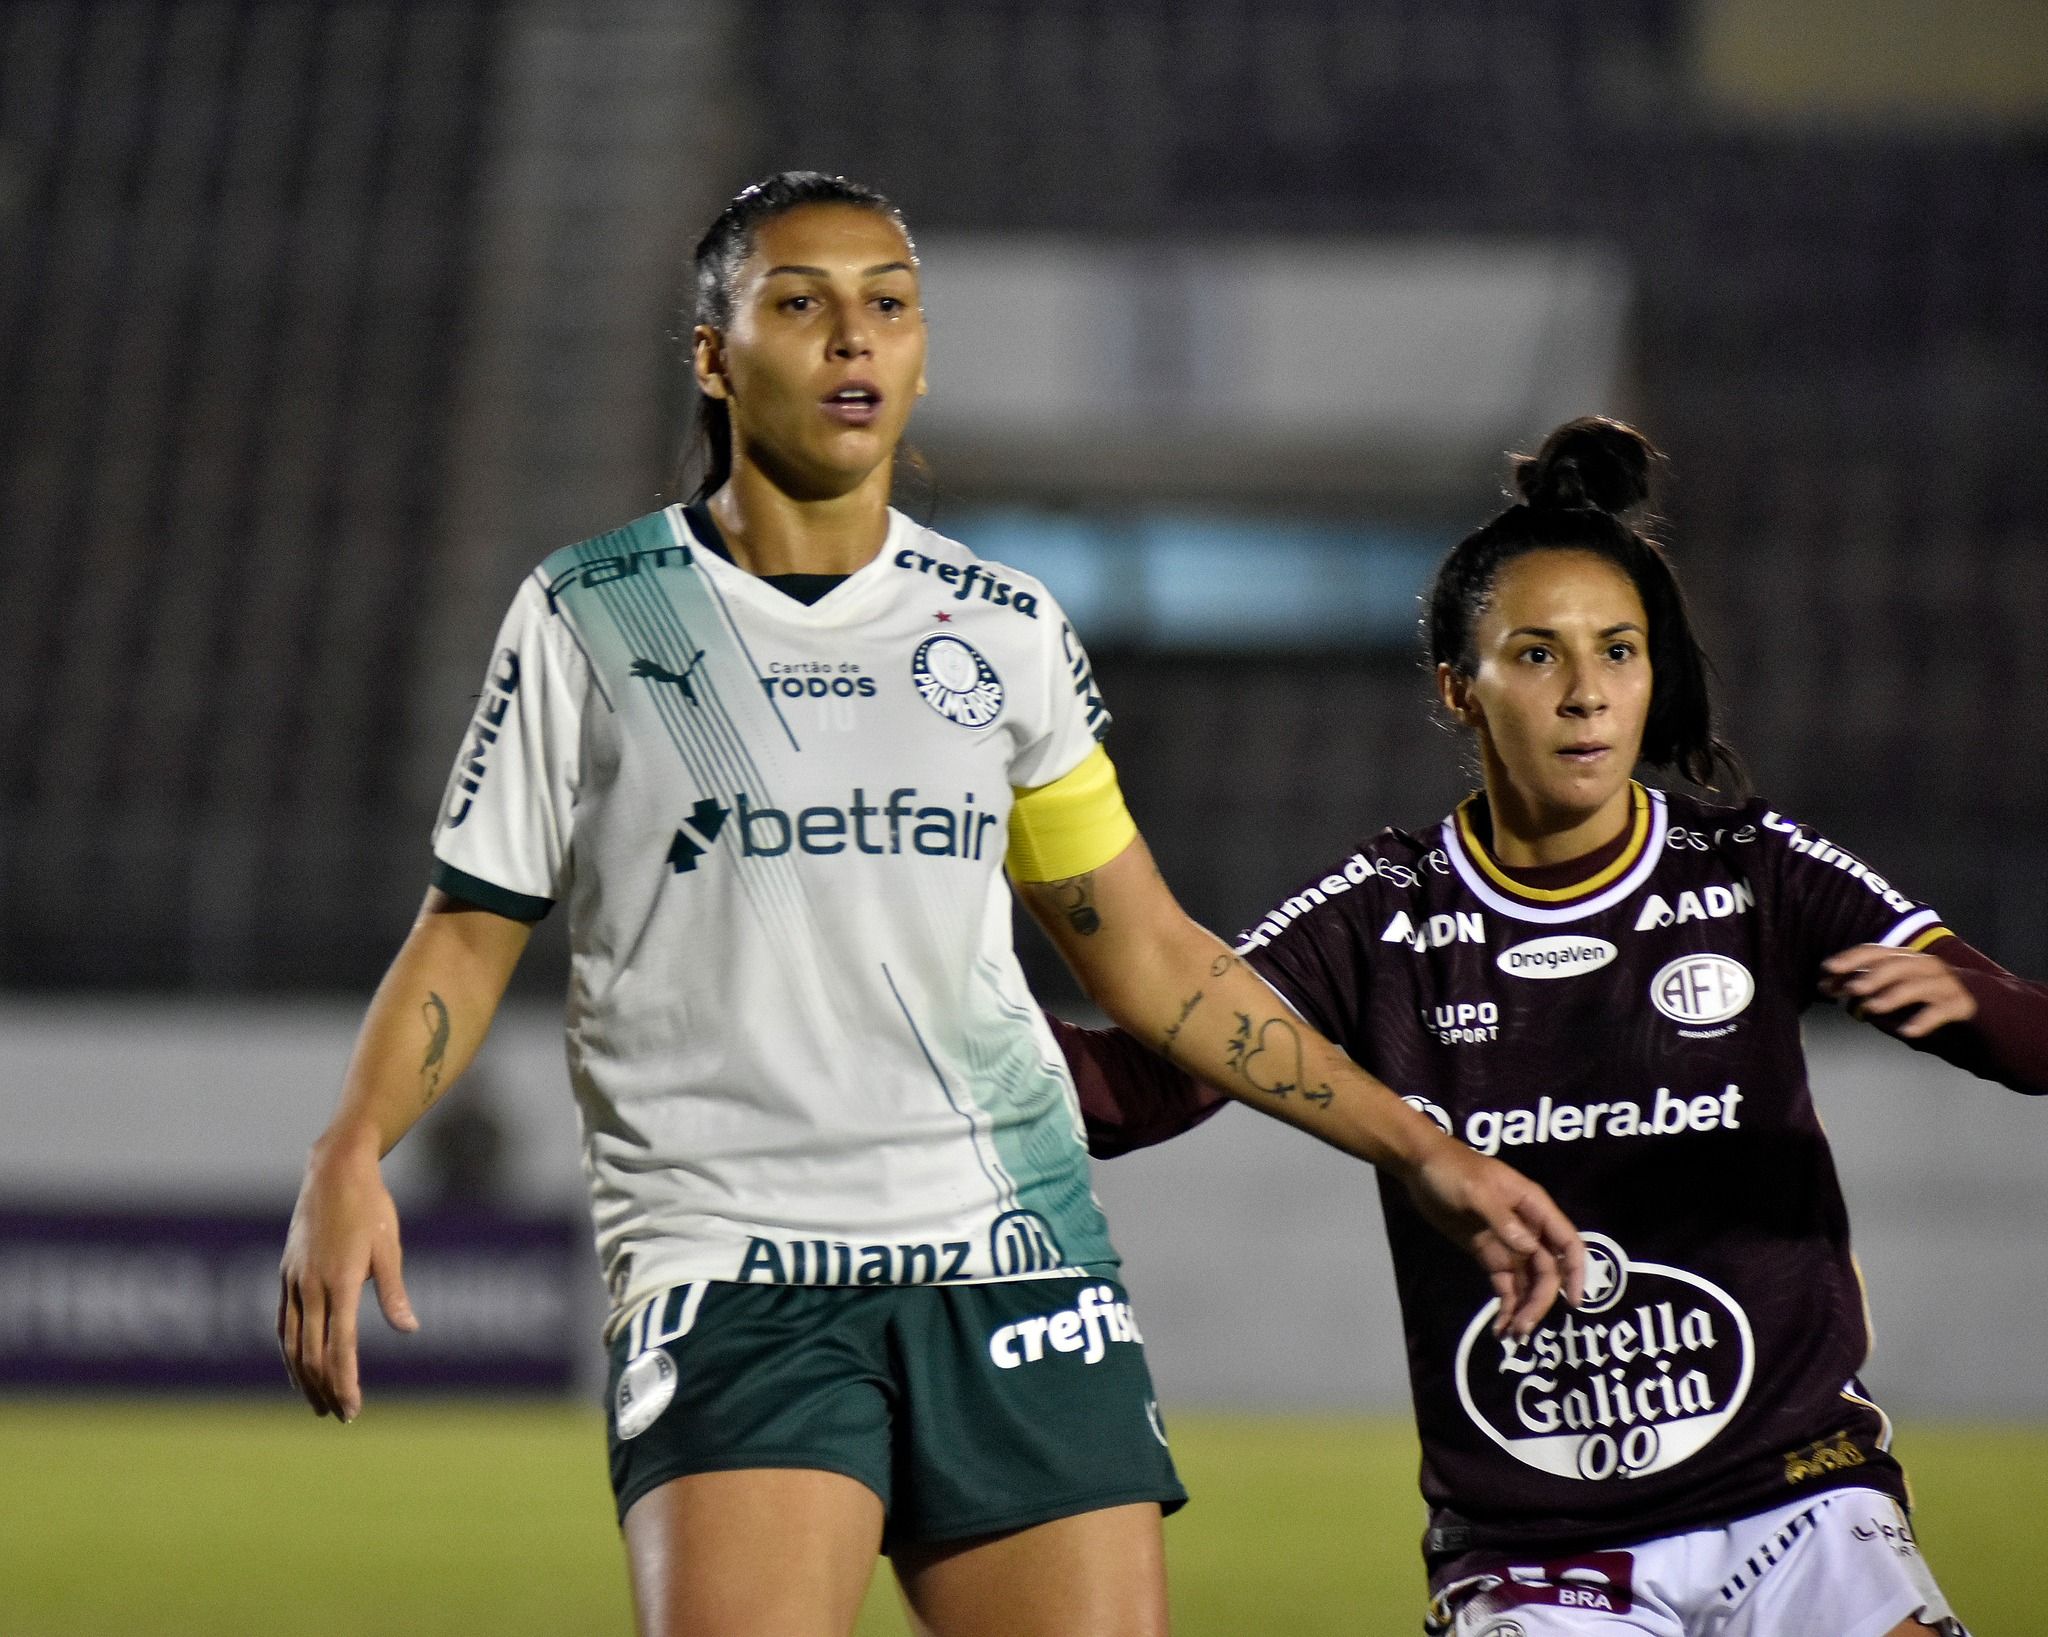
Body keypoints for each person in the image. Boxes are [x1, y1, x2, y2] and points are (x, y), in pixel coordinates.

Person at [276, 171, 1584, 1637]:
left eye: (887, 306)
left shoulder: (1006, 629)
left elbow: (1147, 956)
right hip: (735, 1269)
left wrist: (1416, 1147)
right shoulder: (592, 615)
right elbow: (469, 926)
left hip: (1013, 1252)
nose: (854, 340)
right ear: (715, 355)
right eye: (802, 305)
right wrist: (351, 1146)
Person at [1055, 417, 2048, 1637]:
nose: (1584, 692)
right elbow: (1132, 1096)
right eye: (1535, 653)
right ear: (1454, 688)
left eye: (1617, 651)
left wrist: (1987, 1011)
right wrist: (904, 1002)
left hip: (1797, 1503)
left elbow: (2028, 1040)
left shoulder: (1752, 871)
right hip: (1536, 1547)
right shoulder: (1380, 916)